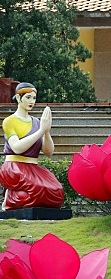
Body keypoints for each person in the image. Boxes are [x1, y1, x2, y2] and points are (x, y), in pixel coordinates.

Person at [0, 82, 64, 210]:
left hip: (33, 167)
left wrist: (46, 131)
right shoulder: (9, 121)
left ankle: (15, 197)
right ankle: (9, 199)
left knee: (57, 191)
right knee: (38, 189)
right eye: (28, 97)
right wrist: (40, 131)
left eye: (34, 98)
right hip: (14, 166)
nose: (32, 101)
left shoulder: (36, 122)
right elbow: (17, 148)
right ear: (18, 98)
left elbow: (48, 152)